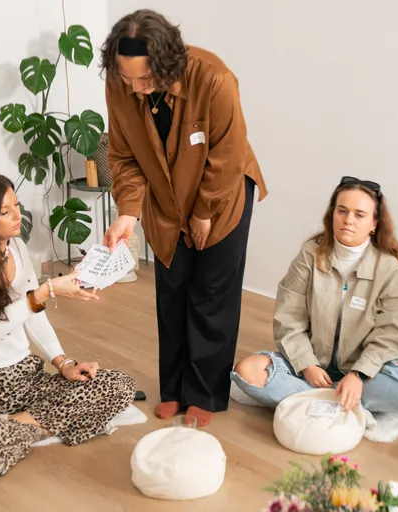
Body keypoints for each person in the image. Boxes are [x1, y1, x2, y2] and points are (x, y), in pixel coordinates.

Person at [99, 9, 267, 426]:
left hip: (223, 194)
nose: (135, 89)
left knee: (211, 292)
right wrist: (128, 213)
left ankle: (204, 393)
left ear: (166, 63)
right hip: (165, 197)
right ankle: (173, 388)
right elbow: (123, 157)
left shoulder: (214, 79)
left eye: (144, 79)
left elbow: (228, 153)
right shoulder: (121, 88)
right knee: (172, 290)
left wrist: (206, 211)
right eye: (127, 78)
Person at [0, 171, 136, 479]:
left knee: (119, 386)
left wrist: (63, 362)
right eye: (5, 212)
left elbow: (35, 315)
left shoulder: (15, 248)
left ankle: (15, 427)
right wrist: (46, 290)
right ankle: (41, 424)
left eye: (16, 205)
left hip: (25, 375)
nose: (17, 216)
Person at [231, 177, 398, 413]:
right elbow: (289, 317)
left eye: (359, 214)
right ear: (332, 214)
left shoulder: (389, 268)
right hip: (312, 367)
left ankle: (313, 402)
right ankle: (340, 403)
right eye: (342, 211)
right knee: (247, 370)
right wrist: (307, 365)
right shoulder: (310, 255)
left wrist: (357, 374)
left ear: (374, 223)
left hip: (362, 371)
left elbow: (392, 333)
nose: (348, 220)